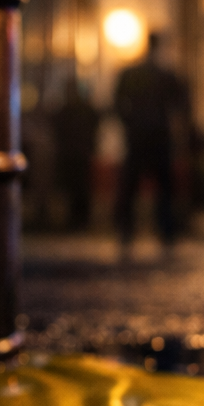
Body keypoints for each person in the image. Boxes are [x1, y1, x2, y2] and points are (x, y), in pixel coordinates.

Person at [113, 32, 189, 256]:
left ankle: (127, 231)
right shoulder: (165, 75)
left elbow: (116, 103)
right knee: (163, 188)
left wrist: (129, 123)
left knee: (131, 187)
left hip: (138, 137)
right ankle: (165, 232)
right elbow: (182, 104)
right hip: (157, 137)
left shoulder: (131, 74)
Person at [51, 76, 100, 230]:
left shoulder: (71, 109)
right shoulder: (77, 109)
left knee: (78, 187)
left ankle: (79, 219)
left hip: (75, 153)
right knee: (75, 188)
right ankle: (78, 219)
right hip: (76, 152)